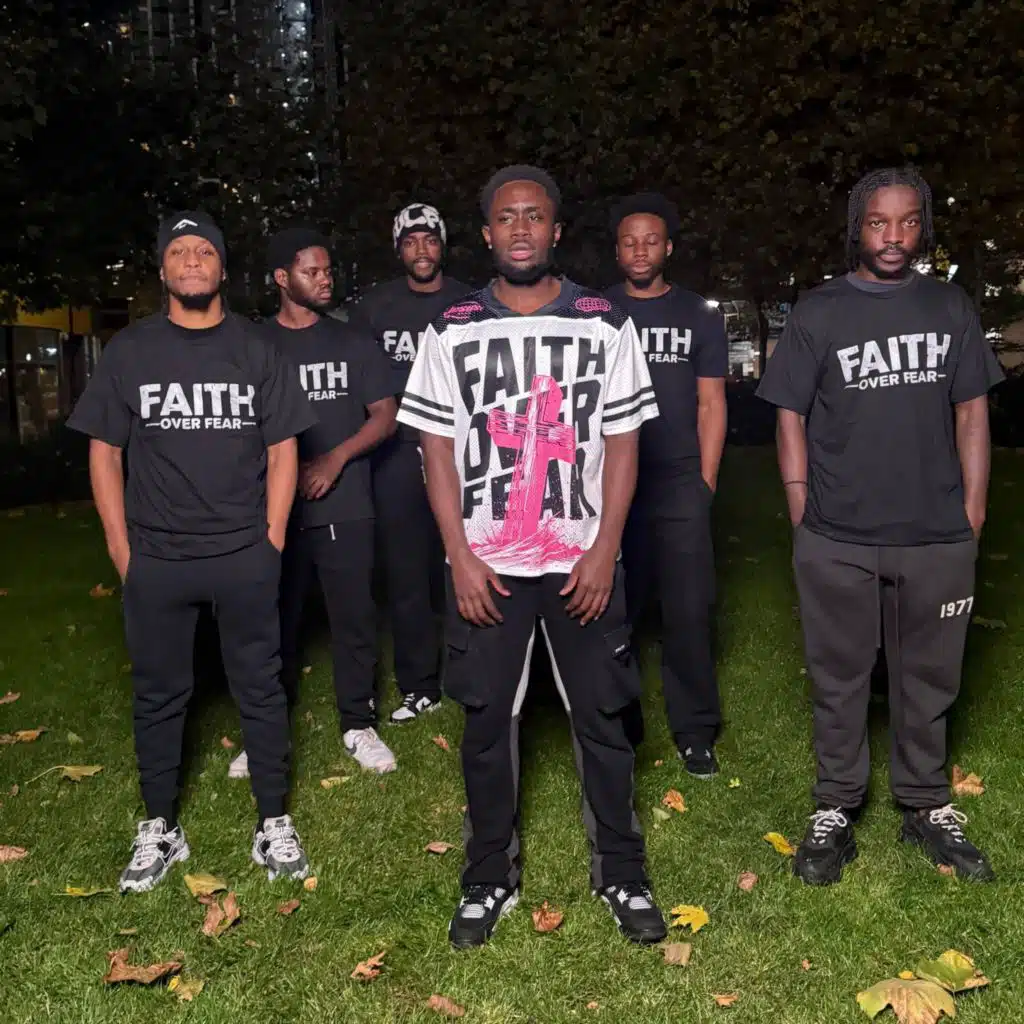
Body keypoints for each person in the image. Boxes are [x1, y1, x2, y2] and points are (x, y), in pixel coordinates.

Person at [397, 165, 667, 948]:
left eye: (535, 216)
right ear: (487, 234)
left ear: (556, 230)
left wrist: (604, 549)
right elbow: (435, 449)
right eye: (507, 217)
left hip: (581, 562)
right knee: (487, 725)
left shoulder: (603, 321)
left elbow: (623, 443)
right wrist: (459, 555)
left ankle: (621, 872)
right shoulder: (449, 329)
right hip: (488, 565)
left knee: (604, 720)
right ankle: (488, 875)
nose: (521, 228)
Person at [757, 168, 1002, 885]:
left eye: (907, 221)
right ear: (856, 227)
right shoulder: (820, 310)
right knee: (839, 676)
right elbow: (789, 414)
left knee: (930, 677)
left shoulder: (949, 305)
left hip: (936, 532)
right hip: (838, 532)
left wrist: (975, 509)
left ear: (923, 226)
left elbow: (971, 412)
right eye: (878, 222)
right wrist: (800, 506)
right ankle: (836, 804)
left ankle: (925, 802)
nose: (893, 237)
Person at [67, 211, 316, 892]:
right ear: (162, 269)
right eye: (179, 251)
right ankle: (160, 827)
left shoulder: (257, 347)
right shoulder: (131, 350)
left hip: (243, 552)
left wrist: (270, 541)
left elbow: (283, 448)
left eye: (204, 250)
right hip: (158, 558)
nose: (192, 260)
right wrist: (122, 550)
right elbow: (104, 452)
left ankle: (273, 821)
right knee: (157, 695)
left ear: (223, 268)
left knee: (260, 688)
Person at [227, 228, 400, 780]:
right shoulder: (253, 345)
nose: (326, 280)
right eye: (312, 272)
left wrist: (335, 459)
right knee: (271, 621)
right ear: (282, 278)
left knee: (354, 619)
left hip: (345, 504)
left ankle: (358, 723)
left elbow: (386, 415)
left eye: (328, 270)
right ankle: (264, 732)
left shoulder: (352, 341)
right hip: (273, 511)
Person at [604, 193, 728, 777]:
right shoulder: (597, 313)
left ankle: (695, 730)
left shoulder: (698, 314)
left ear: (668, 248)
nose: (640, 250)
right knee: (612, 608)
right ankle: (617, 724)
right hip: (611, 480)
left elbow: (711, 403)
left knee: (688, 610)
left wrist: (704, 482)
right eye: (630, 241)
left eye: (650, 240)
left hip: (678, 479)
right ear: (617, 250)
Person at [350, 204, 473, 723]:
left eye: (430, 240)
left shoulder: (471, 302)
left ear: (443, 245)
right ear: (398, 249)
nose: (421, 250)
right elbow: (360, 384)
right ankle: (419, 685)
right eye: (410, 241)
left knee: (469, 563)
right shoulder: (374, 308)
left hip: (464, 452)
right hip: (397, 453)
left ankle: (473, 674)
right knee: (406, 575)